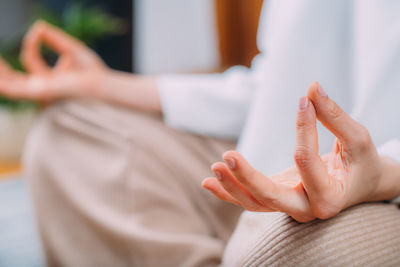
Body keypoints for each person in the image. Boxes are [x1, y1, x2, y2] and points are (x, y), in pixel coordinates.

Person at [0, 0, 400, 266]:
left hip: (385, 187)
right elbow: (275, 86)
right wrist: (102, 84)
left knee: (277, 252)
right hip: (288, 163)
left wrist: (381, 174)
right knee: (68, 135)